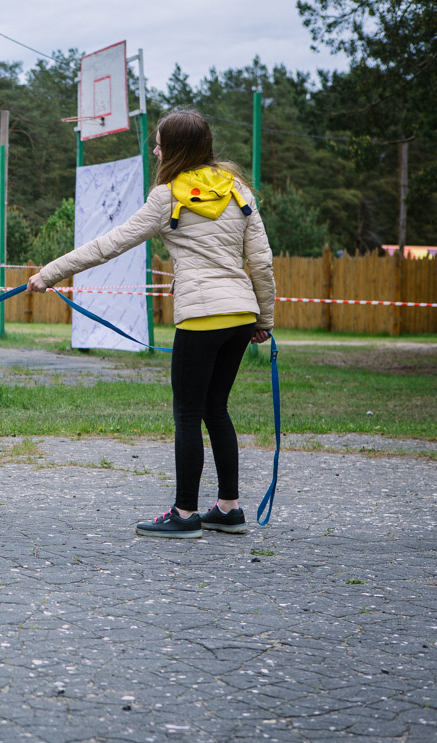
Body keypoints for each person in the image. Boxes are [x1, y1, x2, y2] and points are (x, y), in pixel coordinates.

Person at [27, 108, 275, 539]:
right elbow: (262, 262)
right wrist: (264, 319)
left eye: (160, 142)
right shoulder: (238, 190)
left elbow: (110, 243)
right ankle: (229, 509)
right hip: (240, 315)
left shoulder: (168, 196)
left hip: (201, 318)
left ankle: (184, 515)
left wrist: (48, 273)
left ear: (177, 150)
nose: (156, 149)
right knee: (217, 410)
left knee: (187, 415)